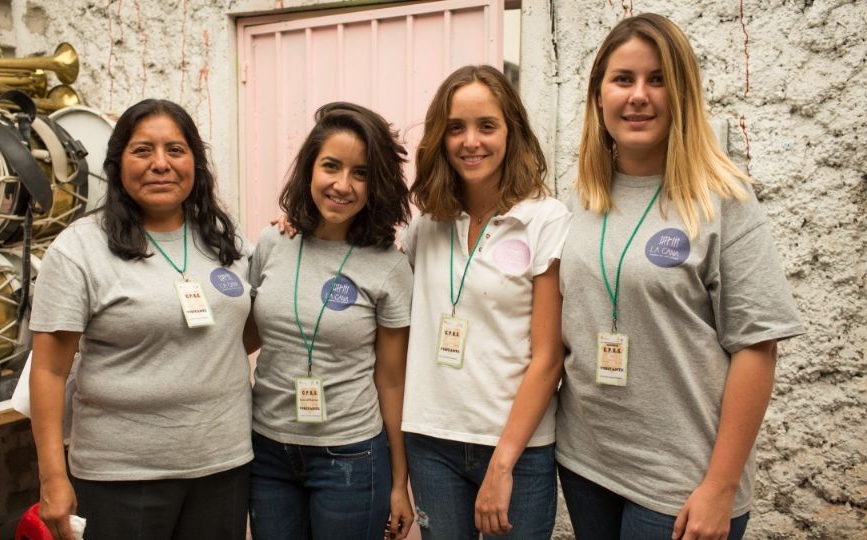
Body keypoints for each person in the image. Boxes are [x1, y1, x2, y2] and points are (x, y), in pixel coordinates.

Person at [556, 13, 805, 540]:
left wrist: (719, 486)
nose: (639, 96)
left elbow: (757, 348)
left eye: (658, 79)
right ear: (599, 95)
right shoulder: (582, 196)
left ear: (683, 94)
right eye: (623, 79)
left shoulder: (724, 200)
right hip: (586, 463)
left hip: (683, 483)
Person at [29, 99, 257, 540]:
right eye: (142, 151)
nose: (160, 164)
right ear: (117, 165)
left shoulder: (225, 239)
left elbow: (238, 335)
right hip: (121, 475)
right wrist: (52, 478)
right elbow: (49, 370)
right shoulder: (79, 249)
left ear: (195, 162)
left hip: (224, 465)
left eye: (175, 150)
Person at [401, 65, 571, 539]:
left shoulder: (544, 219)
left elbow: (548, 357)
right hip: (431, 439)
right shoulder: (426, 225)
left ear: (511, 132)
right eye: (456, 127)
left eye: (486, 126)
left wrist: (502, 465)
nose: (470, 141)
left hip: (517, 447)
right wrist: (303, 227)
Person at [247, 102, 414, 540]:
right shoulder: (272, 242)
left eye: (360, 173)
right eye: (331, 167)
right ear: (309, 171)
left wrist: (400, 482)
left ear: (376, 183)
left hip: (351, 456)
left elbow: (392, 380)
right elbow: (241, 337)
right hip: (267, 451)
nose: (343, 185)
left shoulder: (389, 267)